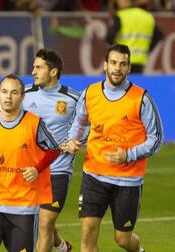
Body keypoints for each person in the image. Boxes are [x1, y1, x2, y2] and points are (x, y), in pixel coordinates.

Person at [62, 44, 163, 252]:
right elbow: (79, 123)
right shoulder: (90, 93)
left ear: (128, 68)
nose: (117, 68)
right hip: (94, 176)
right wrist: (72, 140)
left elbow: (156, 138)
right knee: (88, 232)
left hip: (128, 180)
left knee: (123, 240)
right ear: (105, 65)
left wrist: (128, 154)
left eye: (123, 64)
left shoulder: (141, 99)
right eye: (114, 63)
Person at [0, 74, 60, 252]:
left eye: (14, 92)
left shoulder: (34, 123)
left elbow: (54, 149)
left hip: (24, 207)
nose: (8, 97)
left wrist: (37, 169)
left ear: (22, 97)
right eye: (4, 92)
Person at [23, 48, 79, 252]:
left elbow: (88, 124)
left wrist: (76, 140)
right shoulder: (24, 94)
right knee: (38, 221)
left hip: (58, 171)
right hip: (30, 170)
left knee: (44, 224)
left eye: (39, 67)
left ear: (53, 72)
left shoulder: (73, 98)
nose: (33, 72)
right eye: (33, 67)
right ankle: (62, 247)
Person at [106, 0, 164, 73]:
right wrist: (147, 50)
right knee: (134, 83)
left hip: (121, 59)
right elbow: (159, 35)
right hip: (139, 60)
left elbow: (109, 36)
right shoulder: (148, 17)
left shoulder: (121, 15)